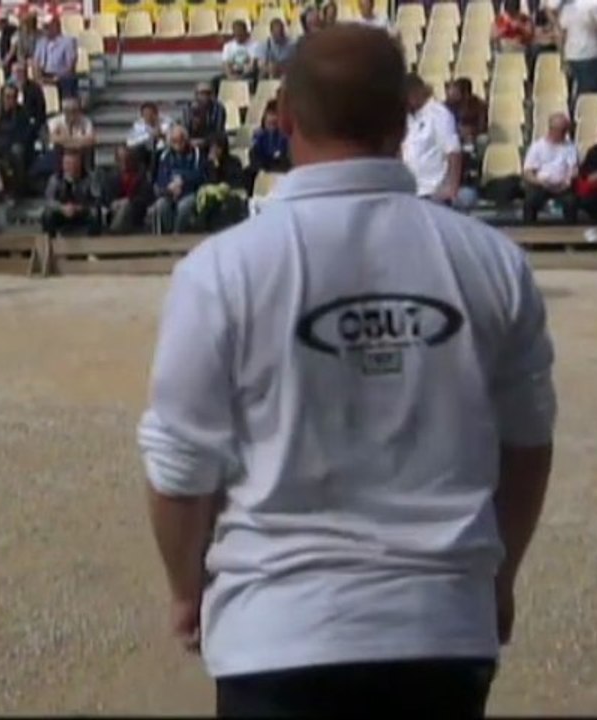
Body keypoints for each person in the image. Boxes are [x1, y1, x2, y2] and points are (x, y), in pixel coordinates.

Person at [137, 24, 555, 718]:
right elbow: (527, 444)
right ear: (402, 121)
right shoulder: (493, 263)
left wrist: (187, 591)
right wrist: (499, 578)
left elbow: (180, 466)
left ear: (285, 118)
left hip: (275, 632)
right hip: (441, 627)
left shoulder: (220, 271)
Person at [401, 74, 462, 203]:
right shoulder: (410, 118)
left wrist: (452, 188)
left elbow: (453, 152)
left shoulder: (439, 114)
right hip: (412, 191)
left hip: (433, 192)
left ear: (415, 93)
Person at [522, 113, 580, 222]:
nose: (564, 133)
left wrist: (568, 181)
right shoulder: (537, 146)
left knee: (571, 202)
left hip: (563, 186)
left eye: (565, 130)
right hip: (541, 185)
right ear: (552, 129)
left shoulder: (570, 147)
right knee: (530, 201)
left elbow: (574, 169)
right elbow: (528, 172)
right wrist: (539, 182)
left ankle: (571, 233)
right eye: (562, 130)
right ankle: (528, 231)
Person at [151, 125, 203, 234]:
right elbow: (161, 177)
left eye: (181, 140)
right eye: (174, 141)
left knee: (184, 206)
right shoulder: (165, 155)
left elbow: (200, 175)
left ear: (186, 140)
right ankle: (171, 235)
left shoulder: (196, 154)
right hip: (170, 192)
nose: (178, 144)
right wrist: (170, 186)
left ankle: (177, 234)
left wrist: (182, 179)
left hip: (190, 191)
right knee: (161, 205)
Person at [94, 144, 152, 235]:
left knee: (125, 207)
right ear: (116, 160)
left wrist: (129, 201)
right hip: (113, 213)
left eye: (127, 159)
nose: (124, 163)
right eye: (121, 159)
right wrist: (112, 204)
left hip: (135, 213)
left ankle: (112, 236)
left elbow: (147, 198)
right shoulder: (109, 177)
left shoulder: (141, 176)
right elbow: (103, 199)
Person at [41, 149, 99, 237]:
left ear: (80, 164)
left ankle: (93, 244)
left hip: (81, 211)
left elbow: (97, 200)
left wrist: (80, 208)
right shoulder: (55, 179)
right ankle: (50, 242)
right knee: (47, 215)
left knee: (96, 213)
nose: (71, 167)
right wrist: (62, 208)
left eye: (74, 164)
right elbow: (48, 200)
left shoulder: (90, 178)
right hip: (62, 212)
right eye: (67, 164)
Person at [558, 0, 597, 98]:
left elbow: (562, 34)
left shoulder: (568, 6)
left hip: (571, 54)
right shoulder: (595, 4)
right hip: (589, 54)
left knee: (572, 92)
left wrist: (562, 57)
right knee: (588, 94)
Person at [0, 86, 36, 196]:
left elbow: (25, 135)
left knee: (17, 151)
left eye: (13, 97)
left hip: (14, 144)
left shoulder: (22, 112)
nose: (9, 100)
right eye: (7, 97)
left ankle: (18, 190)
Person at [245, 103, 291, 193]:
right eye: (269, 114)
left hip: (280, 172)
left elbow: (287, 160)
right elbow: (254, 156)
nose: (272, 118)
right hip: (263, 171)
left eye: (275, 115)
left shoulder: (287, 138)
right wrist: (261, 170)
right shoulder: (259, 136)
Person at [32, 17, 79, 99]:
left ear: (56, 27)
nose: (45, 30)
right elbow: (36, 62)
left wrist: (56, 79)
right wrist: (38, 78)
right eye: (44, 27)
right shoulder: (40, 42)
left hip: (61, 75)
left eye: (47, 27)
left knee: (68, 80)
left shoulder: (68, 42)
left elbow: (71, 66)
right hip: (44, 74)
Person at [126, 102, 171, 171]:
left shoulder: (166, 121)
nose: (149, 117)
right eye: (146, 115)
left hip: (163, 150)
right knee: (137, 151)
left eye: (151, 114)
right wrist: (150, 135)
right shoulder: (138, 125)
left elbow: (170, 136)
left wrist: (161, 134)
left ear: (156, 114)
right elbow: (130, 142)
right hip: (145, 152)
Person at [219, 20, 261, 91]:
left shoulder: (255, 45)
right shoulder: (228, 46)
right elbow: (225, 63)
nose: (238, 37)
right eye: (236, 34)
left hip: (247, 73)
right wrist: (230, 76)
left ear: (245, 32)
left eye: (240, 34)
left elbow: (252, 64)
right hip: (233, 72)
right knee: (215, 81)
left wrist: (240, 77)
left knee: (253, 78)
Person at [182, 83, 227, 147]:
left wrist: (205, 141)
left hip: (212, 142)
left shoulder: (218, 108)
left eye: (208, 93)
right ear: (196, 95)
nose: (205, 96)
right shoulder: (188, 108)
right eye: (202, 93)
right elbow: (185, 128)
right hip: (192, 141)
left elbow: (218, 129)